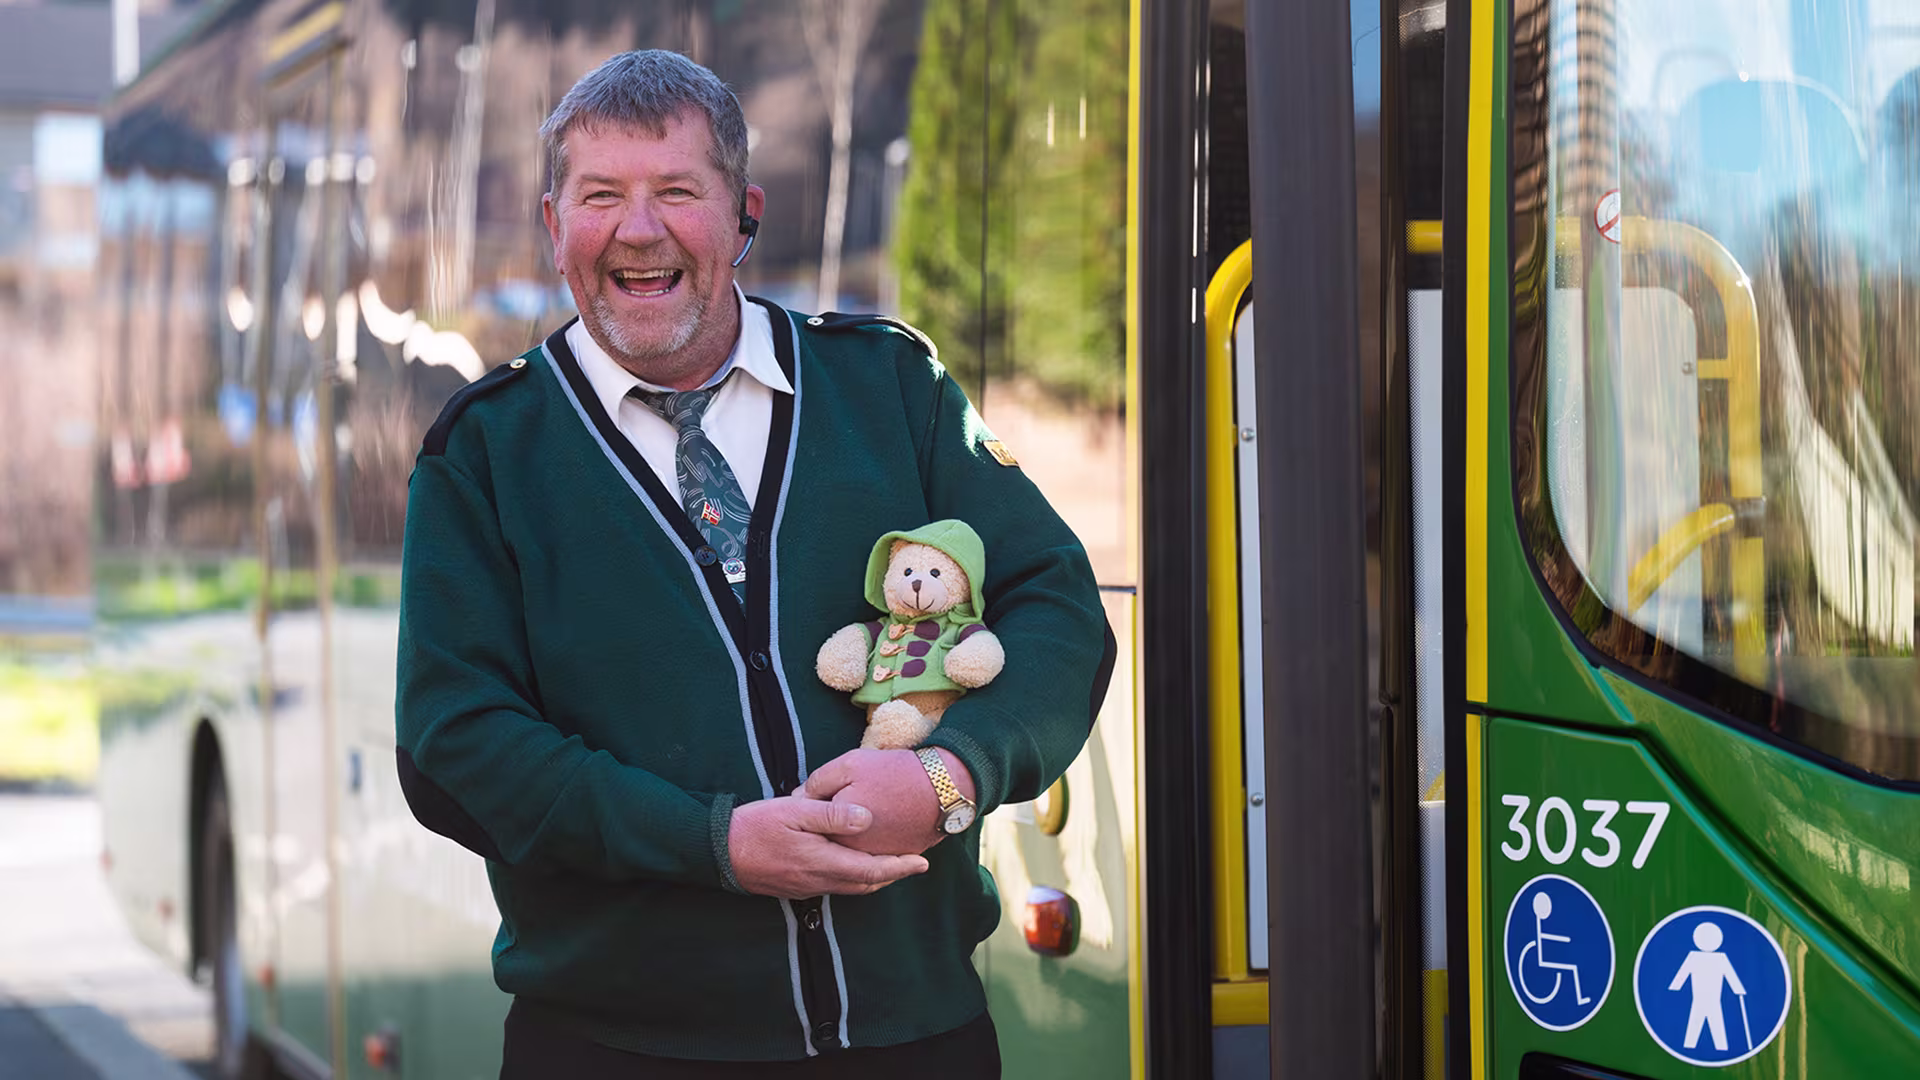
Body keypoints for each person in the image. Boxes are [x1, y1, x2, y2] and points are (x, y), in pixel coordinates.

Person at [394, 49, 1114, 1079]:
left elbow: (1060, 612)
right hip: (615, 1049)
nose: (638, 230)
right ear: (555, 227)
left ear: (744, 215)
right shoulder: (486, 453)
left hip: (916, 1038)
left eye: (677, 192)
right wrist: (713, 844)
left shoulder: (891, 389)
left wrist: (949, 777)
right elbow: (454, 744)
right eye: (602, 196)